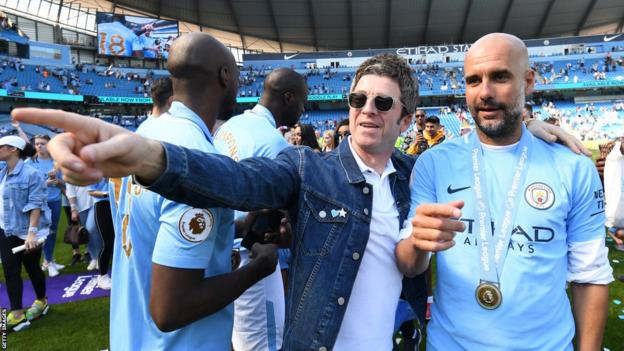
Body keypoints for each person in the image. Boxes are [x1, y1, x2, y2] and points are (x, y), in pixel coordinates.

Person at [14, 57, 587, 350]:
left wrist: (534, 124)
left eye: (382, 103)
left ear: (406, 119)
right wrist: (147, 154)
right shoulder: (307, 169)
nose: (365, 109)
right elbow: (235, 182)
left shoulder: (424, 172)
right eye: (357, 97)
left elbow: (489, 149)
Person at [396, 33, 612, 350]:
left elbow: (590, 276)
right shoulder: (433, 164)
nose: (485, 92)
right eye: (473, 80)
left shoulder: (573, 168)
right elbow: (410, 265)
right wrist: (417, 241)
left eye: (499, 77)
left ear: (529, 81)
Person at [105, 32, 278, 350]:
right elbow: (172, 308)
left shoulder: (148, 133)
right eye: (236, 76)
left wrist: (236, 227)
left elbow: (156, 231)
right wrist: (259, 268)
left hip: (131, 338)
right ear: (225, 76)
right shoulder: (199, 162)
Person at [214, 67, 307, 351]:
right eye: (303, 101)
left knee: (235, 338)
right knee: (264, 343)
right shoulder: (275, 144)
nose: (304, 109)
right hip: (252, 254)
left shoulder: (231, 125)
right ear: (289, 98)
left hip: (219, 250)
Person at [0, 136, 50, 331]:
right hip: (6, 229)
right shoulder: (3, 173)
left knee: (33, 269)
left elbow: (36, 204)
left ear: (13, 150)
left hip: (27, 231)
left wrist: (32, 233)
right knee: (10, 271)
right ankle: (18, 314)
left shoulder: (32, 174)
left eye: (1, 146)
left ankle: (41, 300)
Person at [25, 134, 65, 277]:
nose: (39, 146)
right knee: (43, 232)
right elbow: (27, 186)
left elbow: (64, 183)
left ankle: (49, 260)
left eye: (42, 143)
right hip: (38, 203)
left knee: (52, 231)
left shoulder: (56, 162)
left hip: (55, 200)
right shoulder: (29, 163)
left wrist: (58, 182)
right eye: (37, 144)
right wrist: (44, 183)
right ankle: (48, 261)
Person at [88, 178, 114, 290]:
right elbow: (90, 191)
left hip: (118, 204)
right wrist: (106, 194)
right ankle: (102, 276)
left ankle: (121, 273)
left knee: (122, 241)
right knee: (108, 242)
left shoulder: (118, 166)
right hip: (102, 205)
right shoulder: (96, 171)